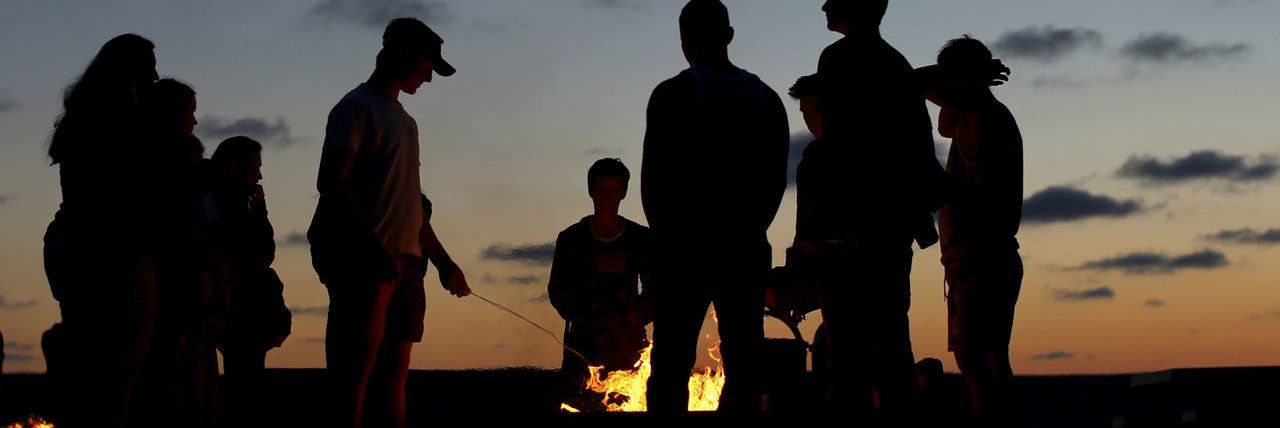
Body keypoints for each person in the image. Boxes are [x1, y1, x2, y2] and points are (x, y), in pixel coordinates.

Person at [307, 17, 470, 428]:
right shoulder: (355, 108)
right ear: (401, 56)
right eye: (426, 68)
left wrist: (443, 262)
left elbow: (410, 203)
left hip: (408, 262)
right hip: (365, 263)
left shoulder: (407, 122)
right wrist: (373, 251)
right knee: (353, 374)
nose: (428, 79)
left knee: (395, 371)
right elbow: (331, 182)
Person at [640, 0, 789, 414]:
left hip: (684, 251)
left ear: (683, 42)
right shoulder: (767, 99)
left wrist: (666, 246)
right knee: (744, 363)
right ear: (729, 36)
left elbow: (654, 184)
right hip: (744, 249)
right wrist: (751, 230)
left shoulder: (673, 94)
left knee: (671, 365)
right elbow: (775, 182)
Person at [805, 0, 946, 419]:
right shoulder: (896, 63)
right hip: (890, 232)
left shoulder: (838, 58)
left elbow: (839, 144)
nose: (824, 5)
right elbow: (920, 147)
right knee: (891, 346)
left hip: (850, 232)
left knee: (849, 356)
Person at [41, 33, 159, 428]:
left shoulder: (83, 122)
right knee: (120, 368)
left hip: (74, 245)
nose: (155, 77)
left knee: (97, 367)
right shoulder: (122, 126)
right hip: (113, 251)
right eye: (148, 68)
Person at [918, 36, 1023, 428]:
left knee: (974, 357)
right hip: (985, 255)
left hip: (978, 256)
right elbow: (944, 123)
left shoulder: (980, 114)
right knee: (989, 355)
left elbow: (914, 79)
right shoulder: (976, 113)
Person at [131, 77, 221, 428]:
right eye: (190, 112)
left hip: (184, 295)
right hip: (175, 295)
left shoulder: (165, 171)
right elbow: (181, 237)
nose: (195, 121)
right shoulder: (169, 175)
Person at [547, 158, 652, 410]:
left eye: (613, 190)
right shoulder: (571, 238)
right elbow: (558, 290)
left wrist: (627, 320)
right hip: (581, 351)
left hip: (628, 350)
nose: (607, 197)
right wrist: (592, 318)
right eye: (601, 190)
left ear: (623, 192)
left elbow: (657, 292)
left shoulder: (640, 239)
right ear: (591, 191)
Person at [209, 136, 292, 423]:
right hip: (243, 310)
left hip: (243, 309)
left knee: (243, 381)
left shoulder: (230, 204)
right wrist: (259, 210)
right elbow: (261, 252)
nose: (259, 175)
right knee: (245, 384)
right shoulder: (230, 208)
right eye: (256, 168)